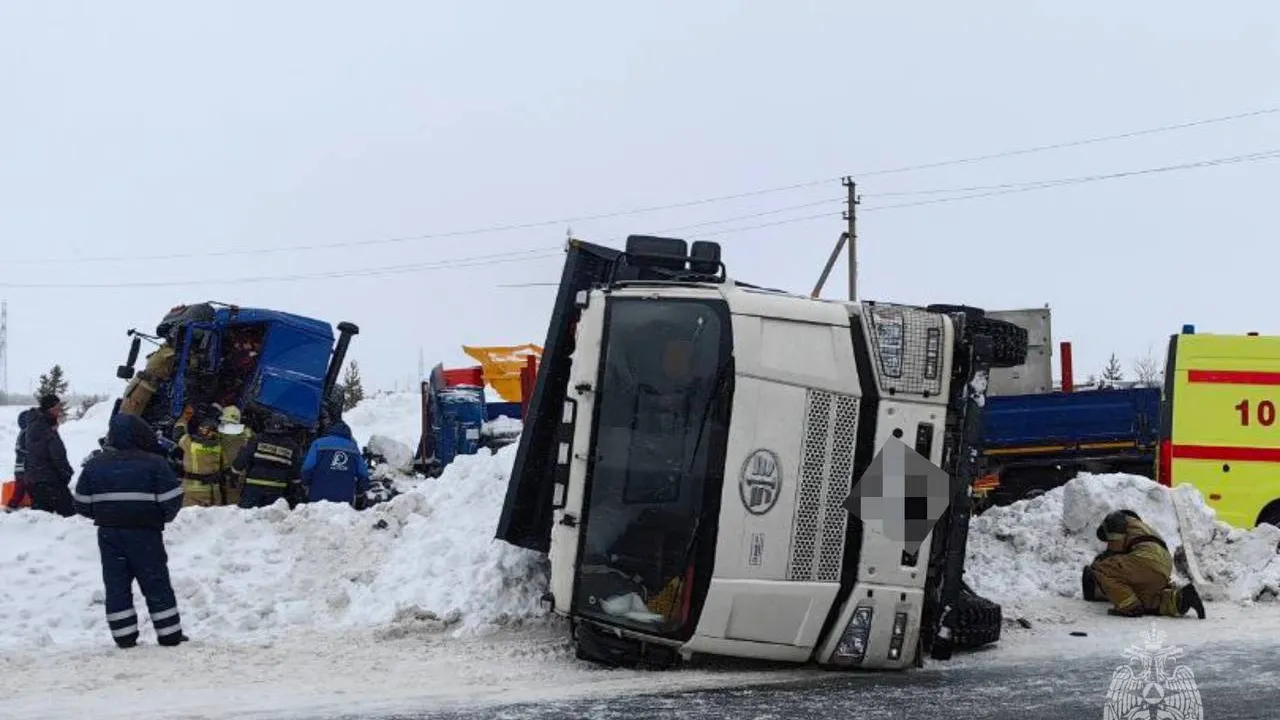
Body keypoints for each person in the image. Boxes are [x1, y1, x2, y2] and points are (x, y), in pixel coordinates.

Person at [73, 413, 188, 648]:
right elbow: (173, 499)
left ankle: (124, 636)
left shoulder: (95, 465)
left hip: (110, 535)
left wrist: (107, 515)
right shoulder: (154, 463)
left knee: (116, 584)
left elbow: (81, 503)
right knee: (156, 582)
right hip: (146, 533)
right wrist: (157, 517)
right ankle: (169, 635)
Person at [1087, 509, 1205, 619]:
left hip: (1145, 560)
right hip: (1164, 566)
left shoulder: (1116, 519)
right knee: (1145, 599)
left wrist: (1100, 561)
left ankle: (1130, 608)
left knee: (1100, 567)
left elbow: (1114, 552)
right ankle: (1182, 598)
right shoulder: (1144, 529)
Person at [232, 412, 302, 508]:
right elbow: (296, 469)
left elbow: (243, 457)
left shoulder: (256, 439)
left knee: (246, 517)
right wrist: (296, 486)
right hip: (277, 488)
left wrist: (235, 472)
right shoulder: (292, 446)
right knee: (270, 519)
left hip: (254, 485)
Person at [23, 394, 75, 517]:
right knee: (71, 517)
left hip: (35, 479)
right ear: (49, 409)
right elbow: (57, 454)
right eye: (57, 407)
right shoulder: (46, 427)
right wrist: (66, 472)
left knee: (41, 520)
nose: (60, 410)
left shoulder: (34, 424)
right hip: (51, 480)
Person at [300, 418, 370, 507]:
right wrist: (360, 492)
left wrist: (305, 484)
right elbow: (363, 474)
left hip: (318, 497)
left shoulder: (318, 443)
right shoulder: (353, 448)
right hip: (345, 501)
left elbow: (307, 468)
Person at [177, 410, 225, 507]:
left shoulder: (190, 444)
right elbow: (224, 466)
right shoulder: (219, 446)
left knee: (190, 519)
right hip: (213, 491)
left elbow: (178, 433)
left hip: (192, 491)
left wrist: (184, 418)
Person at [216, 406, 252, 506]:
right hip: (238, 474)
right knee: (233, 504)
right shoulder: (248, 433)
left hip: (226, 472)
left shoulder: (219, 432)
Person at [4, 409, 34, 511]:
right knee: (31, 488)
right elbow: (27, 450)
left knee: (19, 489)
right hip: (26, 467)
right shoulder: (27, 433)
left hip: (19, 468)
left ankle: (11, 506)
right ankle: (37, 506)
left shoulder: (22, 433)